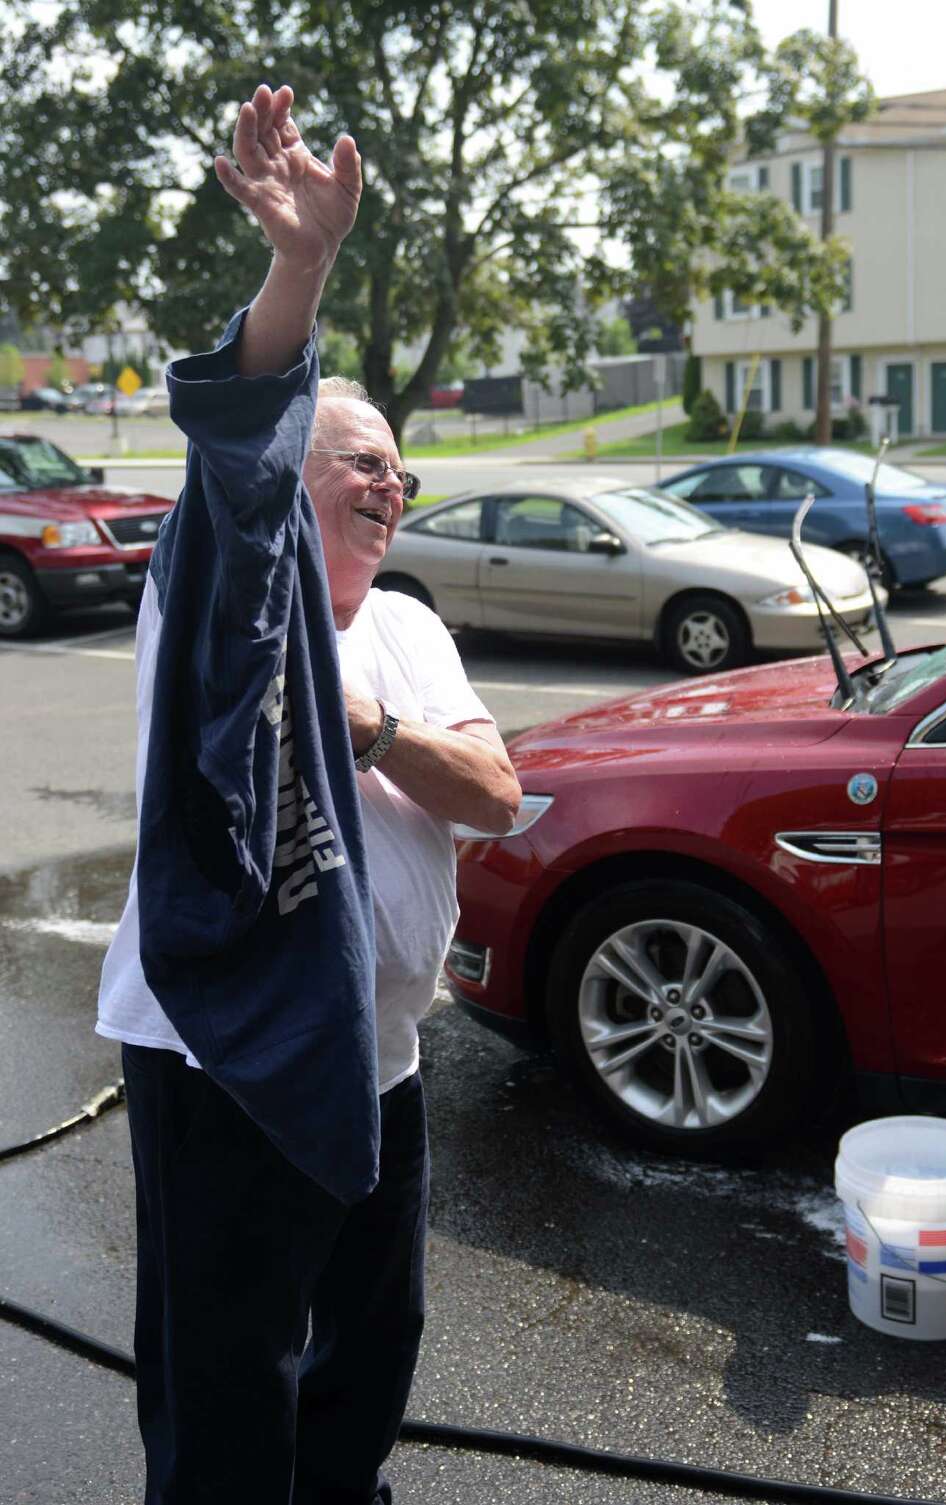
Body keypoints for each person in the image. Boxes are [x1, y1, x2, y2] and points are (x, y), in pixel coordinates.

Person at [96, 83, 521, 1504]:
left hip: (383, 1058)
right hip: (226, 1062)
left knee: (371, 1350)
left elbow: (498, 792)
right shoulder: (225, 574)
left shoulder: (405, 626)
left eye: (404, 467)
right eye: (359, 460)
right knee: (229, 1389)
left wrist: (372, 721)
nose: (391, 483)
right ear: (297, 476)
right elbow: (241, 441)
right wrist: (301, 268)